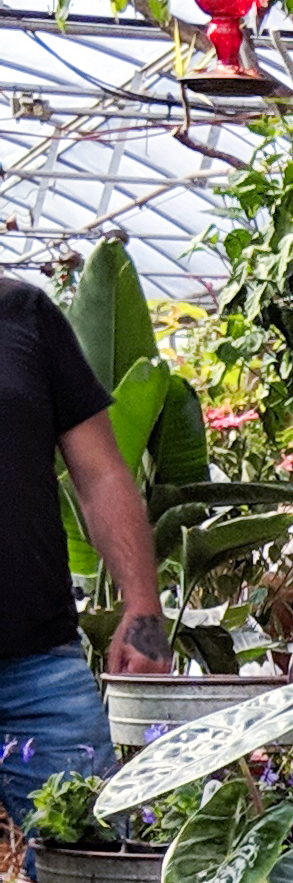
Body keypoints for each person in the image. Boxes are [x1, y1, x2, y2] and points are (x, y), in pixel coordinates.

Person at [0, 271, 167, 834]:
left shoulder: (25, 314)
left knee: (101, 864)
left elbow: (101, 476)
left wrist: (143, 610)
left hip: (38, 669)